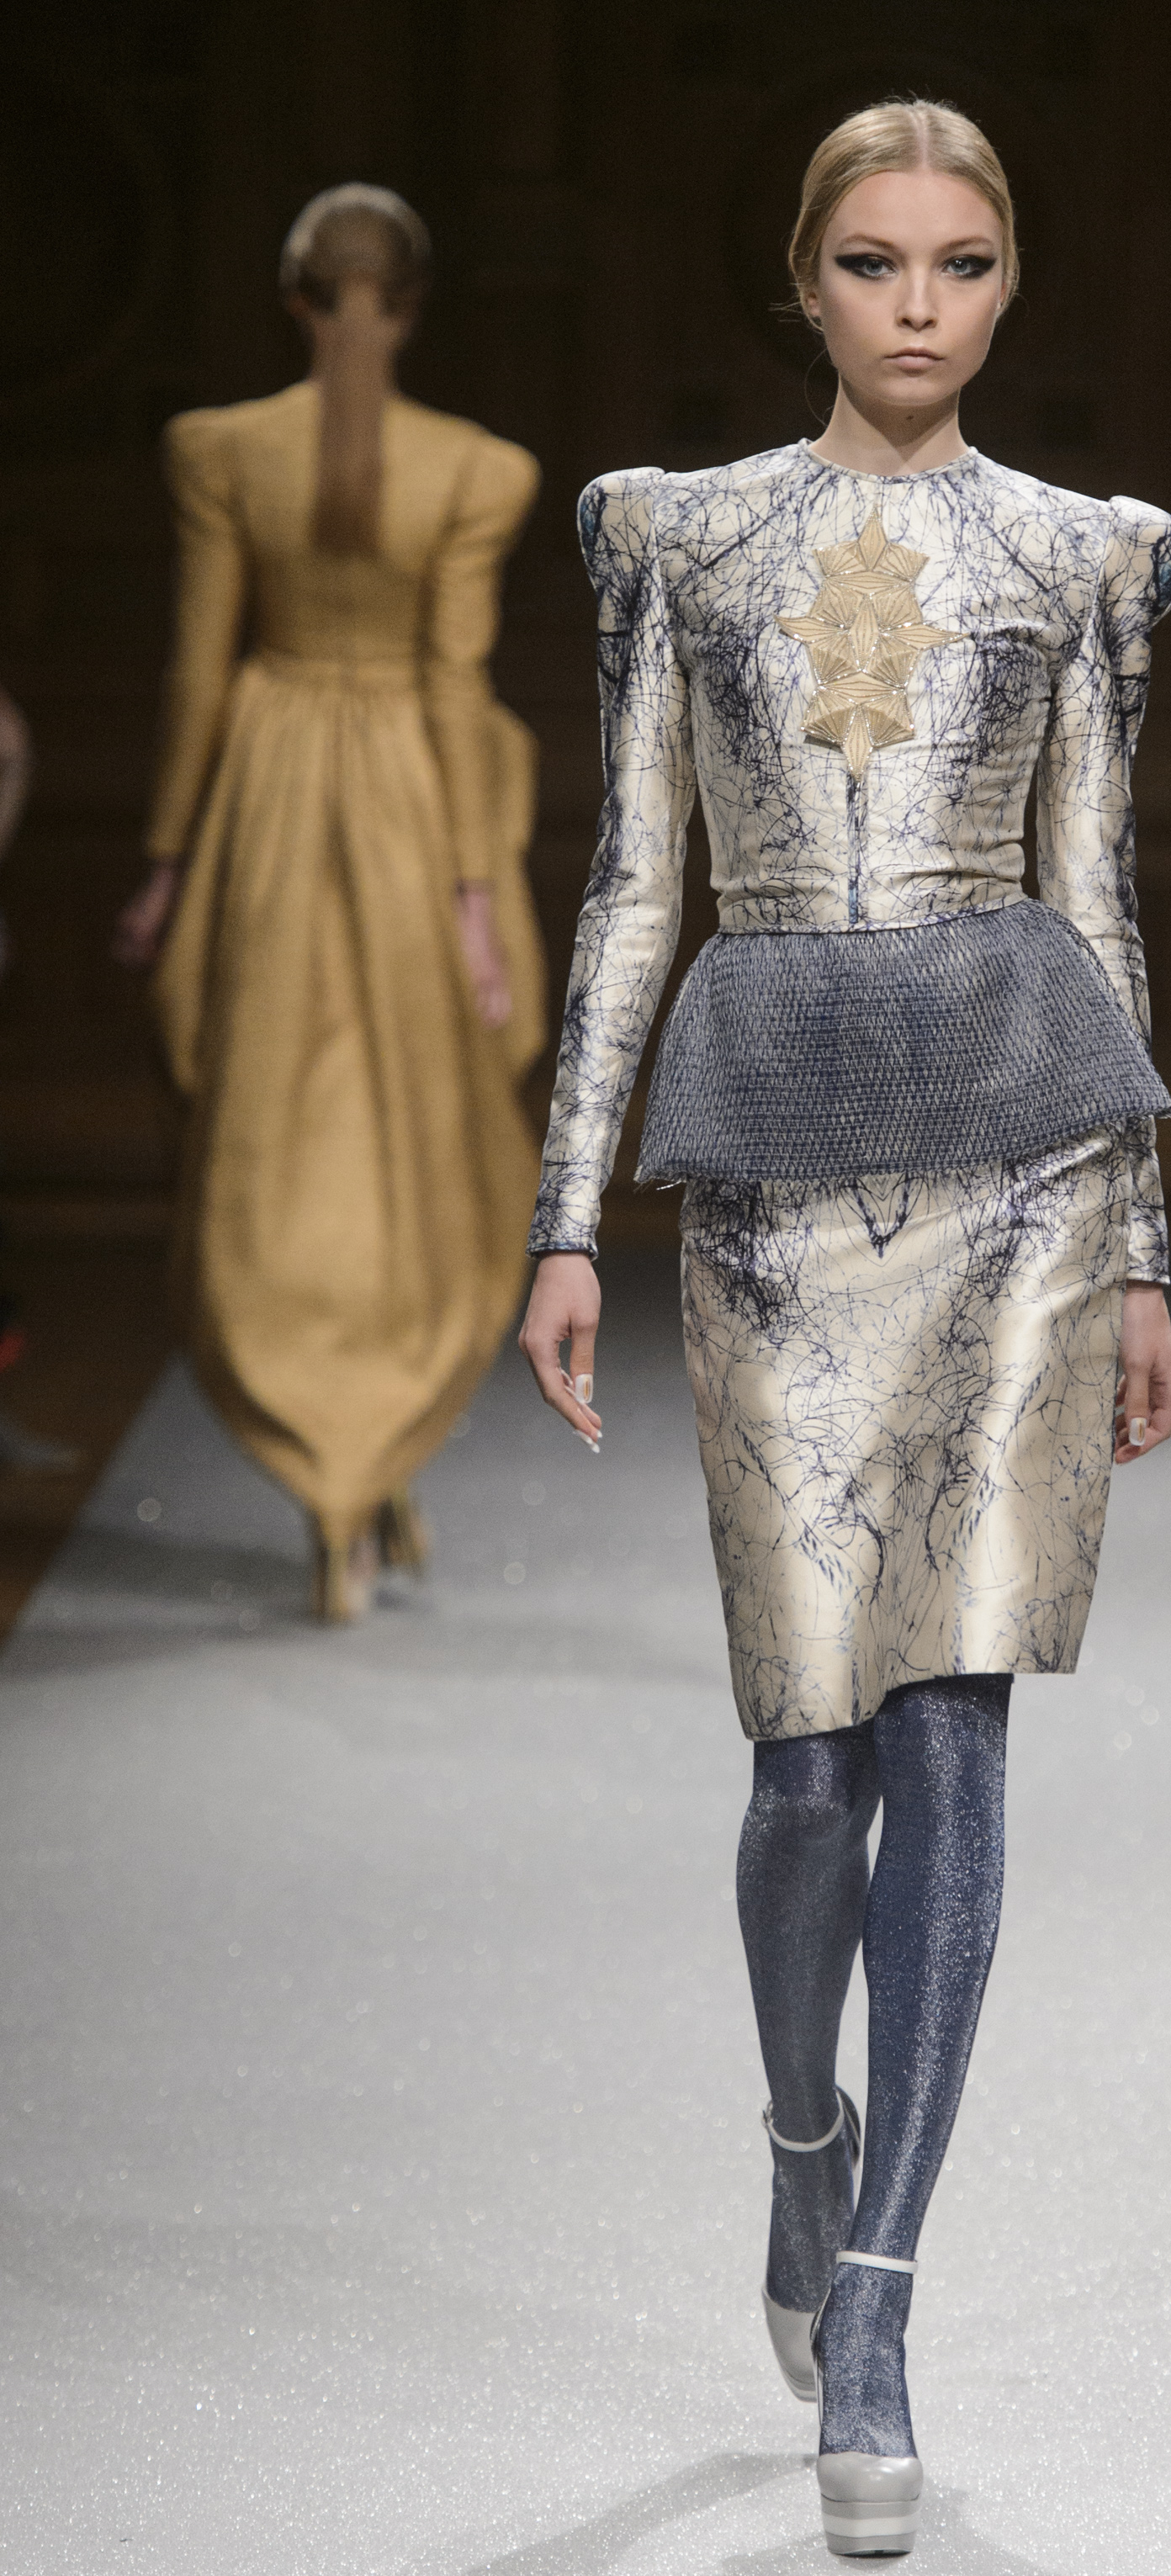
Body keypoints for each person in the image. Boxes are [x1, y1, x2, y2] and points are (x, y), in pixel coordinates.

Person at [520, 99, 1171, 2557]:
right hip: (775, 1184)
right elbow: (632, 880)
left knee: (956, 1728)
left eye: (966, 263)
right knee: (806, 1768)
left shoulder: (1082, 555)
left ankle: (883, 2295)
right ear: (801, 279)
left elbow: (1098, 899)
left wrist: (1143, 1249)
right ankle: (803, 2134)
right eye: (878, 262)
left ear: (1011, 284)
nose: (922, 304)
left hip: (1022, 1169)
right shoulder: (676, 537)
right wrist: (563, 1216)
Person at [115, 185, 545, 1619]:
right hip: (415, 810)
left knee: (280, 1142)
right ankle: (375, 1464)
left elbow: (197, 666)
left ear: (295, 300)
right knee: (415, 1150)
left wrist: (168, 861)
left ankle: (341, 1482)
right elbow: (453, 682)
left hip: (272, 800)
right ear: (409, 310)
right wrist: (477, 902)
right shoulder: (475, 469)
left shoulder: (220, 449)